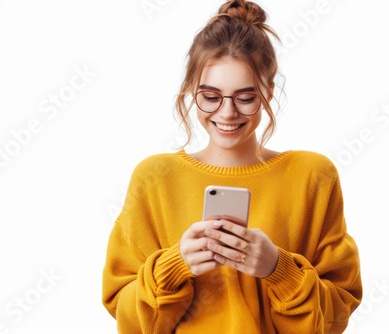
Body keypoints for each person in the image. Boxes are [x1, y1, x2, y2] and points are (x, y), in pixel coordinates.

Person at [102, 0, 362, 333]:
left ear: (268, 92)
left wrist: (278, 269)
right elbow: (127, 319)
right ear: (190, 91)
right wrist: (175, 266)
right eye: (210, 96)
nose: (227, 113)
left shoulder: (313, 176)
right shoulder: (154, 179)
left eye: (245, 97)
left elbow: (336, 316)